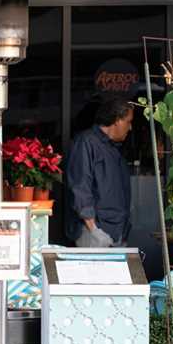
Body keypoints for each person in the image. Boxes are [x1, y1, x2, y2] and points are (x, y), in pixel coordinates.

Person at [64, 97, 134, 248]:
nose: (130, 128)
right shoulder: (86, 142)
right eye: (128, 122)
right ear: (117, 120)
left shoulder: (114, 148)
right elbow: (80, 187)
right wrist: (94, 230)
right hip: (95, 233)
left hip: (116, 232)